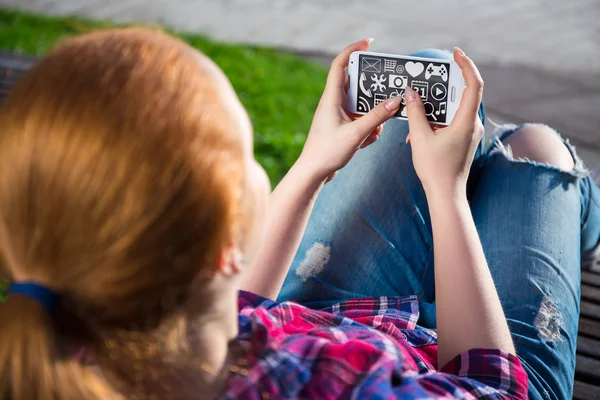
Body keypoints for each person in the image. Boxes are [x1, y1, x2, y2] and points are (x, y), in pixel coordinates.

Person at [0, 28, 597, 400]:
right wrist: (445, 194)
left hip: (321, 319)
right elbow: (490, 389)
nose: (259, 168)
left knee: (422, 71)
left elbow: (237, 310)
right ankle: (579, 210)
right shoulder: (339, 379)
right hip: (449, 364)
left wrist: (315, 165)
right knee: (535, 152)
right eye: (247, 158)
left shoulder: (97, 340)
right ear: (223, 251)